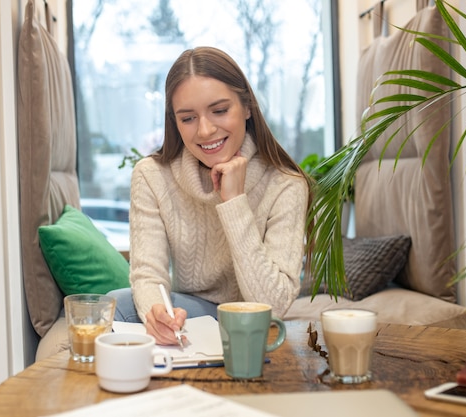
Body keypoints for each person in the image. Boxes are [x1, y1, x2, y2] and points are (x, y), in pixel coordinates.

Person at [108, 46, 313, 346]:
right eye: (188, 118)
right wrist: (157, 313)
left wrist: (233, 202)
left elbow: (272, 305)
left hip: (252, 322)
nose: (205, 130)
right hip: (189, 314)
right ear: (174, 122)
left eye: (219, 110)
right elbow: (148, 273)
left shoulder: (285, 184)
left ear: (247, 107)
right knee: (120, 305)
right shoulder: (152, 176)